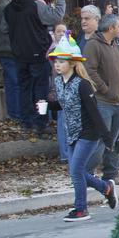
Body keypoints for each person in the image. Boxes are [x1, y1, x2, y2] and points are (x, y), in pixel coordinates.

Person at [45, 36, 117, 222]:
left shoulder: (83, 84)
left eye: (61, 62)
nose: (57, 65)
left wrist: (106, 136)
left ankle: (81, 209)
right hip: (71, 132)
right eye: (56, 62)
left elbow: (93, 111)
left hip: (89, 132)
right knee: (78, 171)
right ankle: (106, 188)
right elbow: (64, 105)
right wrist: (48, 106)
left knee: (76, 171)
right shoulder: (59, 82)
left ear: (73, 63)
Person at [3, 0, 66, 131]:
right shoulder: (36, 5)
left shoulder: (9, 7)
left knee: (24, 89)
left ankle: (26, 121)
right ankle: (40, 122)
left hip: (18, 54)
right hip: (38, 53)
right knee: (41, 91)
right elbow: (56, 16)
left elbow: (4, 28)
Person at [84, 13, 119, 183]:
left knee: (114, 141)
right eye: (118, 26)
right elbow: (89, 70)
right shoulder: (93, 45)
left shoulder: (114, 45)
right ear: (110, 28)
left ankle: (112, 174)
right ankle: (86, 173)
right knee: (100, 141)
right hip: (103, 102)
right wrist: (105, 89)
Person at [47, 23, 72, 162]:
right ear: (54, 34)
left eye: (64, 31)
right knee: (63, 123)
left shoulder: (69, 48)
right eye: (58, 31)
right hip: (61, 88)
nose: (62, 34)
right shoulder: (56, 50)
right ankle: (65, 155)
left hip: (66, 87)